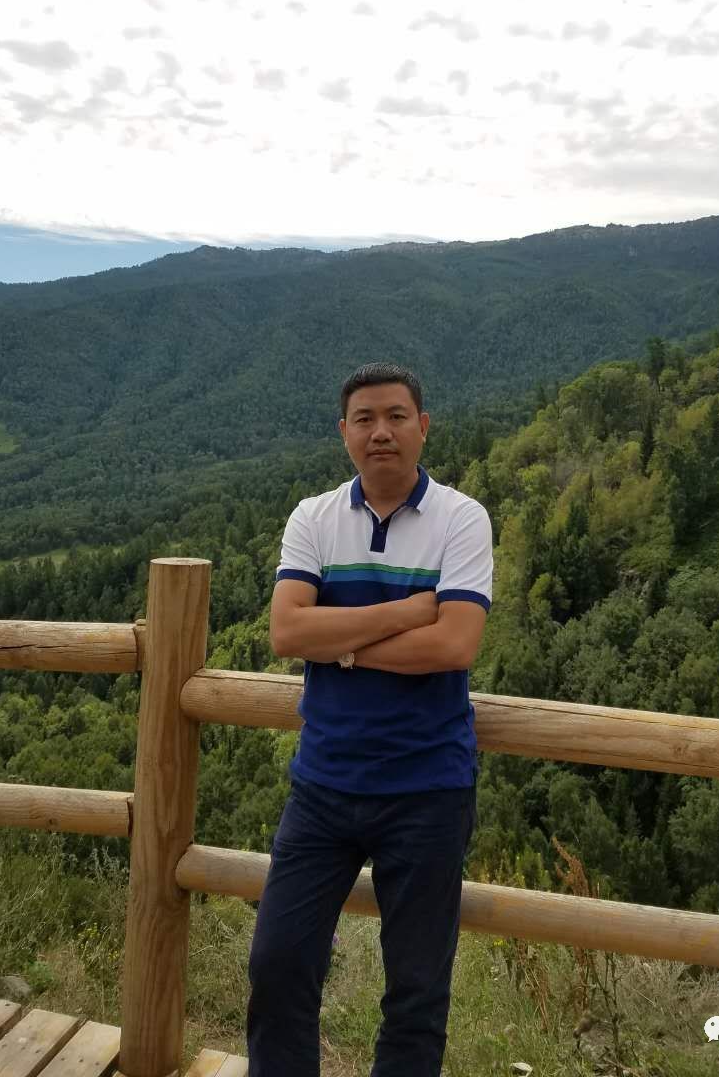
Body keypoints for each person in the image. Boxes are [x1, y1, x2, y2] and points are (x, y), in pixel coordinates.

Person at [246, 362, 494, 1077]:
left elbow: (454, 645)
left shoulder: (461, 518)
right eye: (365, 419)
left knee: (416, 990)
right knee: (278, 964)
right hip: (322, 784)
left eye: (395, 416)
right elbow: (288, 633)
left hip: (428, 788)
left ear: (424, 426)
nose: (380, 431)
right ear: (344, 433)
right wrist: (408, 611)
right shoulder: (314, 517)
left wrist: (343, 644)